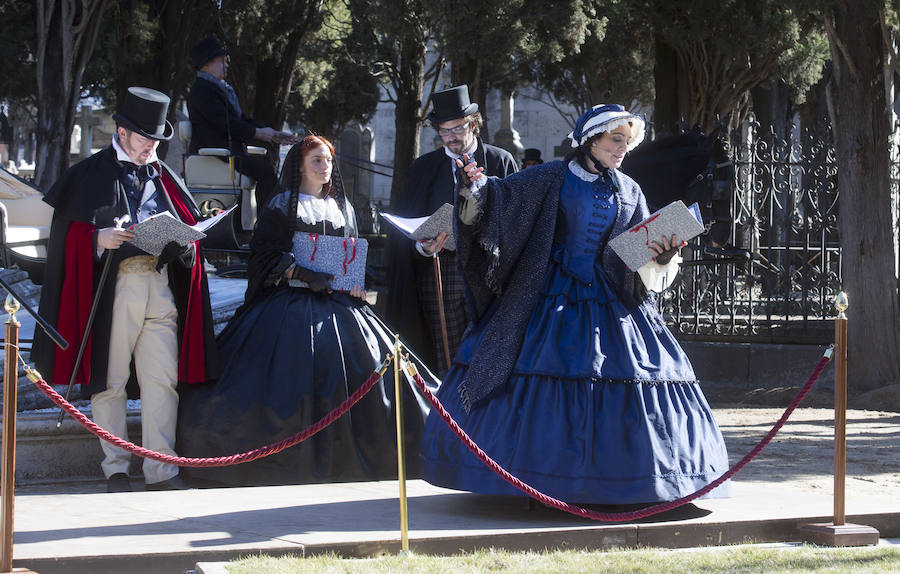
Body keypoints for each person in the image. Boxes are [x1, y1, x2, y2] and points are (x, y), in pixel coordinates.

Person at [420, 104, 730, 504]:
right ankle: (526, 478)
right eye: (614, 140)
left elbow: (632, 256)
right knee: (523, 369)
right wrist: (475, 187)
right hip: (547, 297)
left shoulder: (630, 190)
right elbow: (499, 200)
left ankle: (631, 481)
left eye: (626, 142)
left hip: (611, 301)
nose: (621, 148)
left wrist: (664, 250)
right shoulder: (550, 177)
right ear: (590, 140)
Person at [177, 135, 435, 487]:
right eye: (316, 160)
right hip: (288, 306)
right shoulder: (282, 206)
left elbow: (351, 254)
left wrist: (357, 281)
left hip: (341, 307)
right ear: (299, 165)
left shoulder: (341, 208)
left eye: (328, 160)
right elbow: (265, 256)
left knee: (367, 374)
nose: (324, 167)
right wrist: (299, 272)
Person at [31, 87, 218, 492]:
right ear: (121, 131)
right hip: (116, 289)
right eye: (143, 138)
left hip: (160, 285)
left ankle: (161, 470)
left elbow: (188, 231)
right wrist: (98, 240)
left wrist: (188, 239)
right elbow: (64, 239)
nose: (149, 146)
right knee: (110, 380)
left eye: (155, 140)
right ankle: (115, 466)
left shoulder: (165, 176)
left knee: (162, 380)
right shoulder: (89, 173)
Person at [386, 85, 517, 375]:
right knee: (444, 358)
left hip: (486, 273)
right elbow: (408, 222)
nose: (451, 137)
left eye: (457, 128)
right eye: (444, 131)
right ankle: (447, 414)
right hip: (439, 272)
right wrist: (423, 246)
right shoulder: (424, 167)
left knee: (485, 351)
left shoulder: (499, 160)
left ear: (473, 124)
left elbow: (516, 219)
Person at [186, 36, 296, 209]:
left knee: (267, 165)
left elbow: (240, 119)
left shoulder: (219, 88)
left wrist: (272, 134)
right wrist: (258, 134)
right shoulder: (202, 90)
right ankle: (265, 225)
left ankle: (258, 222)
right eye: (222, 61)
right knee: (265, 171)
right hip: (218, 152)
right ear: (206, 64)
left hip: (231, 152)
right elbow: (226, 123)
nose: (227, 65)